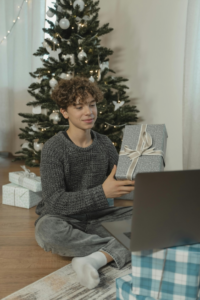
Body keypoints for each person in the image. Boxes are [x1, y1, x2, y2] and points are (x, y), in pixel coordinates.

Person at [34, 77, 135, 289]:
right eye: (79, 107)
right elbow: (53, 201)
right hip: (64, 218)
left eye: (92, 105)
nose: (88, 112)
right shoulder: (53, 148)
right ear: (64, 112)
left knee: (149, 218)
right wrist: (102, 192)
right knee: (47, 230)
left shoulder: (105, 144)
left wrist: (139, 176)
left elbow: (121, 185)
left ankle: (93, 258)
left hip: (100, 216)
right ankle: (112, 250)